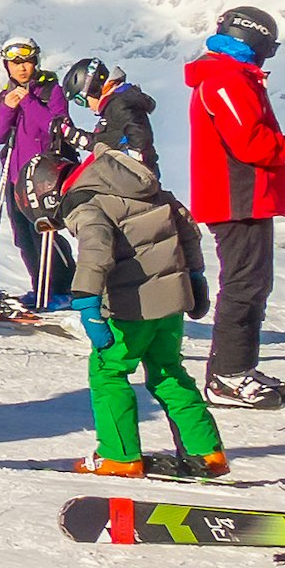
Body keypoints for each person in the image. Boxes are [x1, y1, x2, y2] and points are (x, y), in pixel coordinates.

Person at [183, 5, 285, 408]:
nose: (269, 54)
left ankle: (237, 370)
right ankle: (227, 377)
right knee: (244, 286)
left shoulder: (231, 77)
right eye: (269, 46)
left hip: (242, 197)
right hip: (236, 198)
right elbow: (251, 144)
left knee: (252, 285)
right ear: (254, 40)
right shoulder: (226, 80)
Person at [55, 120, 223, 481]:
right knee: (169, 373)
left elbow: (95, 252)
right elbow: (186, 228)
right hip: (172, 303)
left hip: (130, 309)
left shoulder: (88, 204)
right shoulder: (145, 184)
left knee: (108, 372)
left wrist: (86, 301)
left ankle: (119, 455)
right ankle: (206, 451)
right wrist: (195, 278)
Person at [0, 41, 73, 308]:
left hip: (44, 178)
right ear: (7, 66)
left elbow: (55, 127)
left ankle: (62, 288)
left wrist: (29, 101)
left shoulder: (51, 90)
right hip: (16, 177)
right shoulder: (6, 95)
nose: (22, 68)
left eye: (27, 62)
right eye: (16, 64)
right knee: (23, 236)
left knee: (46, 233)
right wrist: (7, 108)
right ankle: (41, 289)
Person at [61, 56, 155, 167]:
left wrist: (133, 157)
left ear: (93, 88)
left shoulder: (119, 103)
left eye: (81, 101)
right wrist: (77, 137)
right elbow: (108, 141)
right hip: (124, 175)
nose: (87, 107)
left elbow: (138, 133)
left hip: (137, 177)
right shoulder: (112, 106)